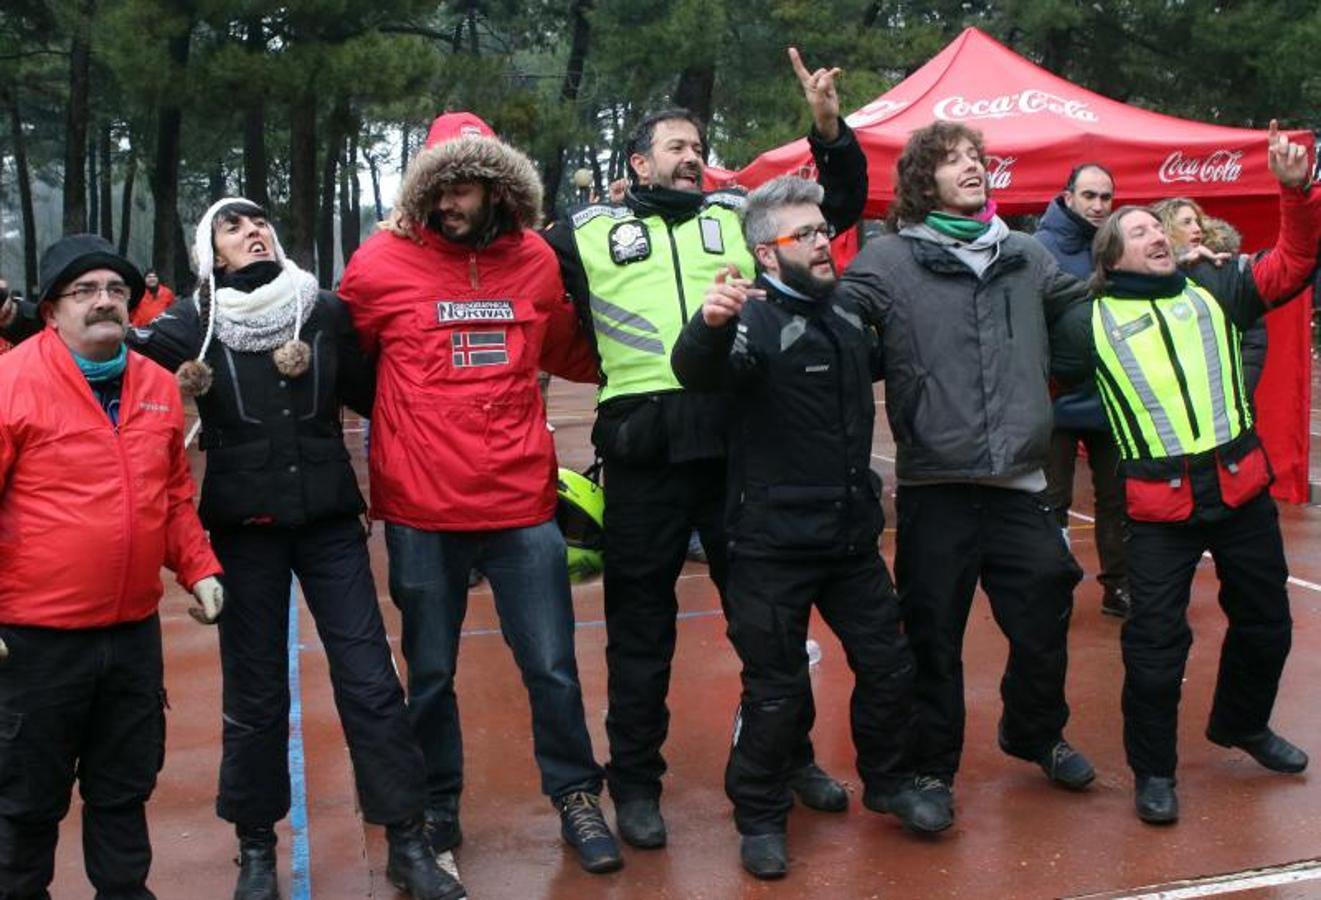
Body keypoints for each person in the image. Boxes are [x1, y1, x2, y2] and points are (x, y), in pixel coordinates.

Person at [542, 48, 868, 848]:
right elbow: (502, 268)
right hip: (645, 454)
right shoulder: (583, 231)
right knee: (640, 631)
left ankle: (788, 758)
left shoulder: (738, 217)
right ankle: (638, 783)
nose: (692, 157)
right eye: (676, 147)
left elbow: (841, 204)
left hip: (742, 452)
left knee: (769, 623)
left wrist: (827, 128)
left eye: (698, 147)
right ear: (637, 161)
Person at [127, 200, 464, 900]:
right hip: (244, 533)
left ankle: (406, 838)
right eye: (233, 226)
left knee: (371, 682)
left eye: (260, 222)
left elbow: (384, 395)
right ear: (210, 253)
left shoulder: (324, 311)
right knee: (254, 693)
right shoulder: (191, 323)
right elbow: (105, 359)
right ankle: (255, 851)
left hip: (330, 525)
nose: (253, 231)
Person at [338, 113, 621, 873]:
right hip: (421, 509)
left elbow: (576, 350)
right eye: (439, 186)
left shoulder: (534, 262)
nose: (450, 201)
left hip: (521, 503)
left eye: (464, 186)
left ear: (498, 188)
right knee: (428, 673)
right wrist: (406, 424)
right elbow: (345, 361)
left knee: (553, 666)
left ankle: (575, 795)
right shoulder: (375, 265)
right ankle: (437, 805)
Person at [672, 176, 941, 878]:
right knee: (777, 686)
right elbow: (697, 370)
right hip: (769, 546)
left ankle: (886, 780)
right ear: (766, 253)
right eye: (807, 235)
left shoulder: (849, 313)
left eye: (824, 230)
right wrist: (706, 324)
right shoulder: (749, 322)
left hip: (850, 541)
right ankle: (759, 813)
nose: (824, 243)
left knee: (888, 667)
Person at [833, 121, 1098, 831]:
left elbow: (1076, 312)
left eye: (976, 158)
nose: (972, 168)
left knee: (1045, 612)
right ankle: (929, 768)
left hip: (1018, 482)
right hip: (934, 485)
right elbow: (839, 327)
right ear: (923, 181)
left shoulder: (1025, 253)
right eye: (953, 161)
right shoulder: (886, 260)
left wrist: (1092, 316)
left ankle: (1033, 731)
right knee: (932, 637)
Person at [1065, 121, 1320, 824]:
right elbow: (1031, 381)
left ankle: (1240, 722)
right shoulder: (1084, 320)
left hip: (1240, 492)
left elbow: (1294, 262)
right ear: (1112, 255)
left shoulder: (1215, 284)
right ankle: (1154, 771)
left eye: (1159, 227)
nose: (1157, 235)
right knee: (1153, 648)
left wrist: (1294, 190)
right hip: (1157, 513)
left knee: (1267, 623)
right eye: (1140, 230)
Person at [0, 234, 225, 899]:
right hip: (35, 643)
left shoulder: (155, 385)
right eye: (86, 290)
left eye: (117, 291)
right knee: (25, 800)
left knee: (123, 789)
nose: (105, 302)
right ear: (50, 310)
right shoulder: (11, 383)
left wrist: (200, 567)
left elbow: (174, 495)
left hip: (130, 635)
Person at [1034, 163, 1130, 618]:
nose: (1097, 205)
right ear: (1067, 196)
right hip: (1053, 395)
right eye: (1089, 195)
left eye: (1105, 197)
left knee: (1118, 496)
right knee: (1052, 498)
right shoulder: (1039, 247)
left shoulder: (1117, 242)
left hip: (1108, 394)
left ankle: (1119, 587)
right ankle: (1051, 588)